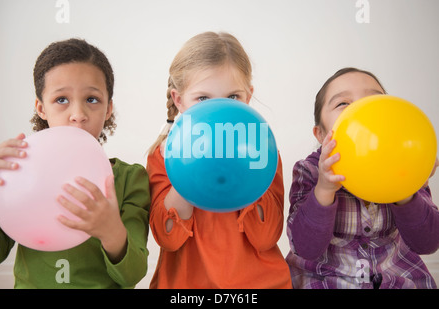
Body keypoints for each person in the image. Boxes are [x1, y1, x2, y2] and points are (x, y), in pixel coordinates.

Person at [0, 38, 150, 288]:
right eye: (62, 99)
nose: (78, 115)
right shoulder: (17, 174)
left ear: (108, 109)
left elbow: (133, 274)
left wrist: (111, 231)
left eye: (92, 99)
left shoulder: (131, 178)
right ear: (41, 108)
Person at [147, 31, 291, 289]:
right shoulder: (162, 155)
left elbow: (266, 237)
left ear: (247, 98)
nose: (219, 111)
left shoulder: (264, 153)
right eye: (203, 98)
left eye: (233, 97)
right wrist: (183, 166)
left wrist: (248, 167)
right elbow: (168, 238)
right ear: (179, 101)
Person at [286, 67, 439, 289]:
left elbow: (427, 243)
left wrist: (406, 190)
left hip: (394, 275)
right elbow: (305, 248)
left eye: (373, 101)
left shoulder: (406, 166)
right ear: (320, 134)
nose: (360, 110)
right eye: (343, 104)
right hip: (325, 278)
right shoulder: (309, 170)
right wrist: (324, 189)